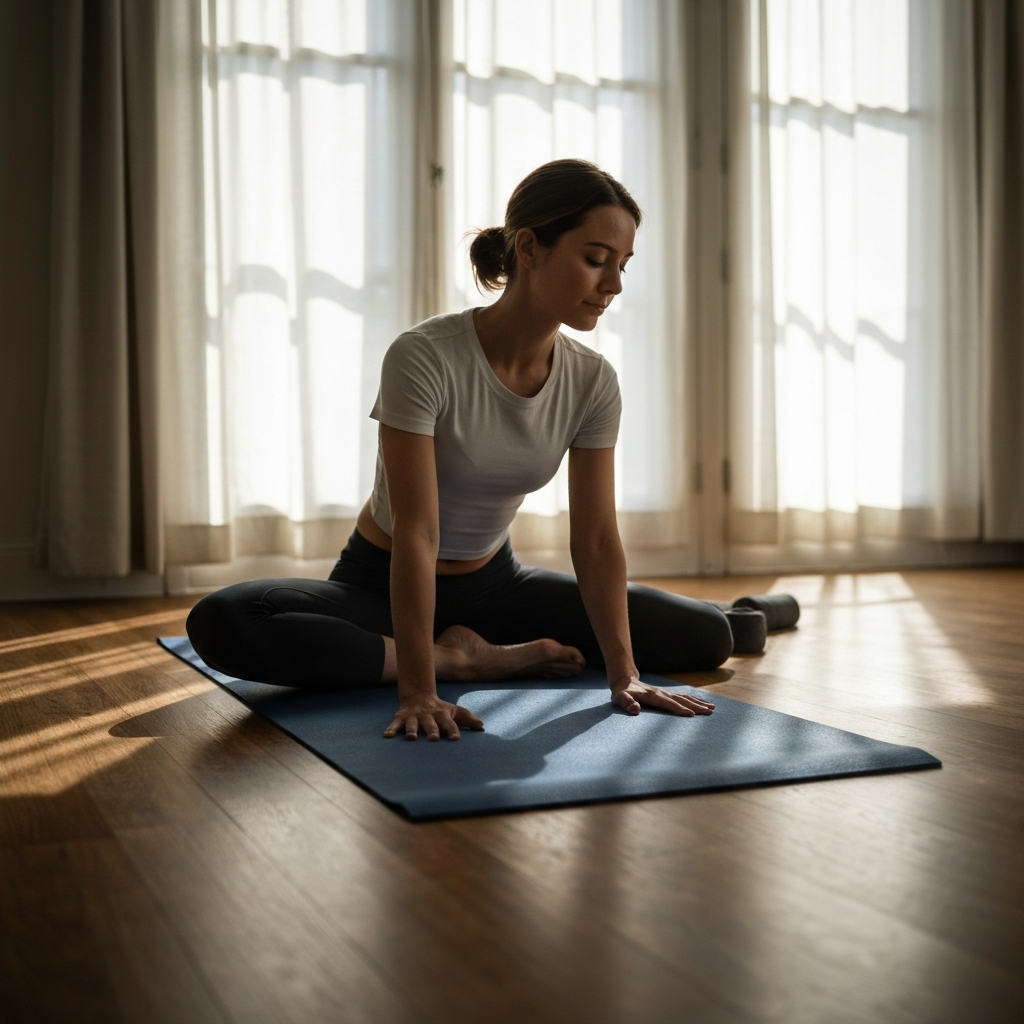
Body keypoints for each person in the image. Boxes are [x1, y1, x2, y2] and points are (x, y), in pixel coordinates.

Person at [186, 159, 732, 742]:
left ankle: (754, 612)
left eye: (622, 266)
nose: (614, 285)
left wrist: (625, 675)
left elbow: (596, 539)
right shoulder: (424, 356)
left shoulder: (592, 380)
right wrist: (423, 686)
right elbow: (418, 530)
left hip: (496, 586)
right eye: (596, 260)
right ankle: (469, 660)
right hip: (384, 580)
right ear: (528, 248)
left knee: (710, 636)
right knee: (226, 623)